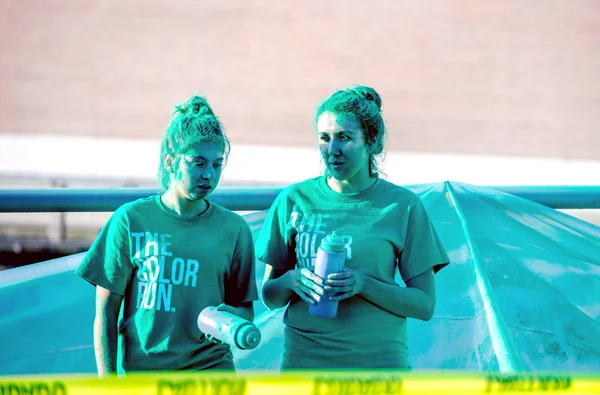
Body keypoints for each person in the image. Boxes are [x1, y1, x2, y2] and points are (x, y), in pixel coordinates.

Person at [255, 85, 450, 370]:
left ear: (371, 143)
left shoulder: (403, 206)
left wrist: (363, 284)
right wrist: (290, 281)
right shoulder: (293, 200)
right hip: (304, 365)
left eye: (344, 138)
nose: (332, 150)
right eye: (324, 138)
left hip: (378, 368)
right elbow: (270, 296)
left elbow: (423, 305)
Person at [76, 94, 257, 375]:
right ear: (170, 161)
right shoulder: (130, 220)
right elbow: (106, 314)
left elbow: (245, 311)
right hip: (146, 375)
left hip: (211, 372)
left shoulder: (234, 229)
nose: (208, 174)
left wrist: (232, 321)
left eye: (216, 164)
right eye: (197, 162)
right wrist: (107, 385)